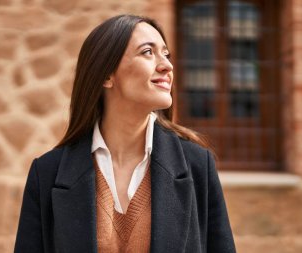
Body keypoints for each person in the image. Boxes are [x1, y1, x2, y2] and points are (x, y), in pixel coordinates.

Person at [14, 14, 236, 253]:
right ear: (107, 75)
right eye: (148, 52)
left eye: (166, 54)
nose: (167, 65)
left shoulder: (197, 166)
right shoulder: (47, 173)